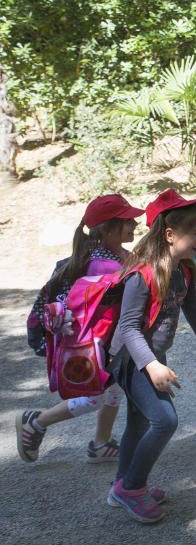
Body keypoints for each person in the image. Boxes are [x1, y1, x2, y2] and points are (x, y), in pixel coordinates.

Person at [106, 189, 196, 524]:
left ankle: (122, 485)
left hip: (149, 358)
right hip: (130, 360)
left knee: (139, 422)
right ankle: (132, 488)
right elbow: (128, 329)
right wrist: (153, 364)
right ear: (171, 235)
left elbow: (194, 311)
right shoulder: (142, 273)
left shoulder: (183, 270)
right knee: (165, 420)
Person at [18, 194, 144, 464]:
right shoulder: (104, 264)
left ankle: (101, 443)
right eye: (127, 221)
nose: (134, 223)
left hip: (106, 340)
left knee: (112, 391)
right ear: (107, 228)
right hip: (96, 341)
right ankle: (36, 422)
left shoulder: (115, 254)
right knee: (95, 397)